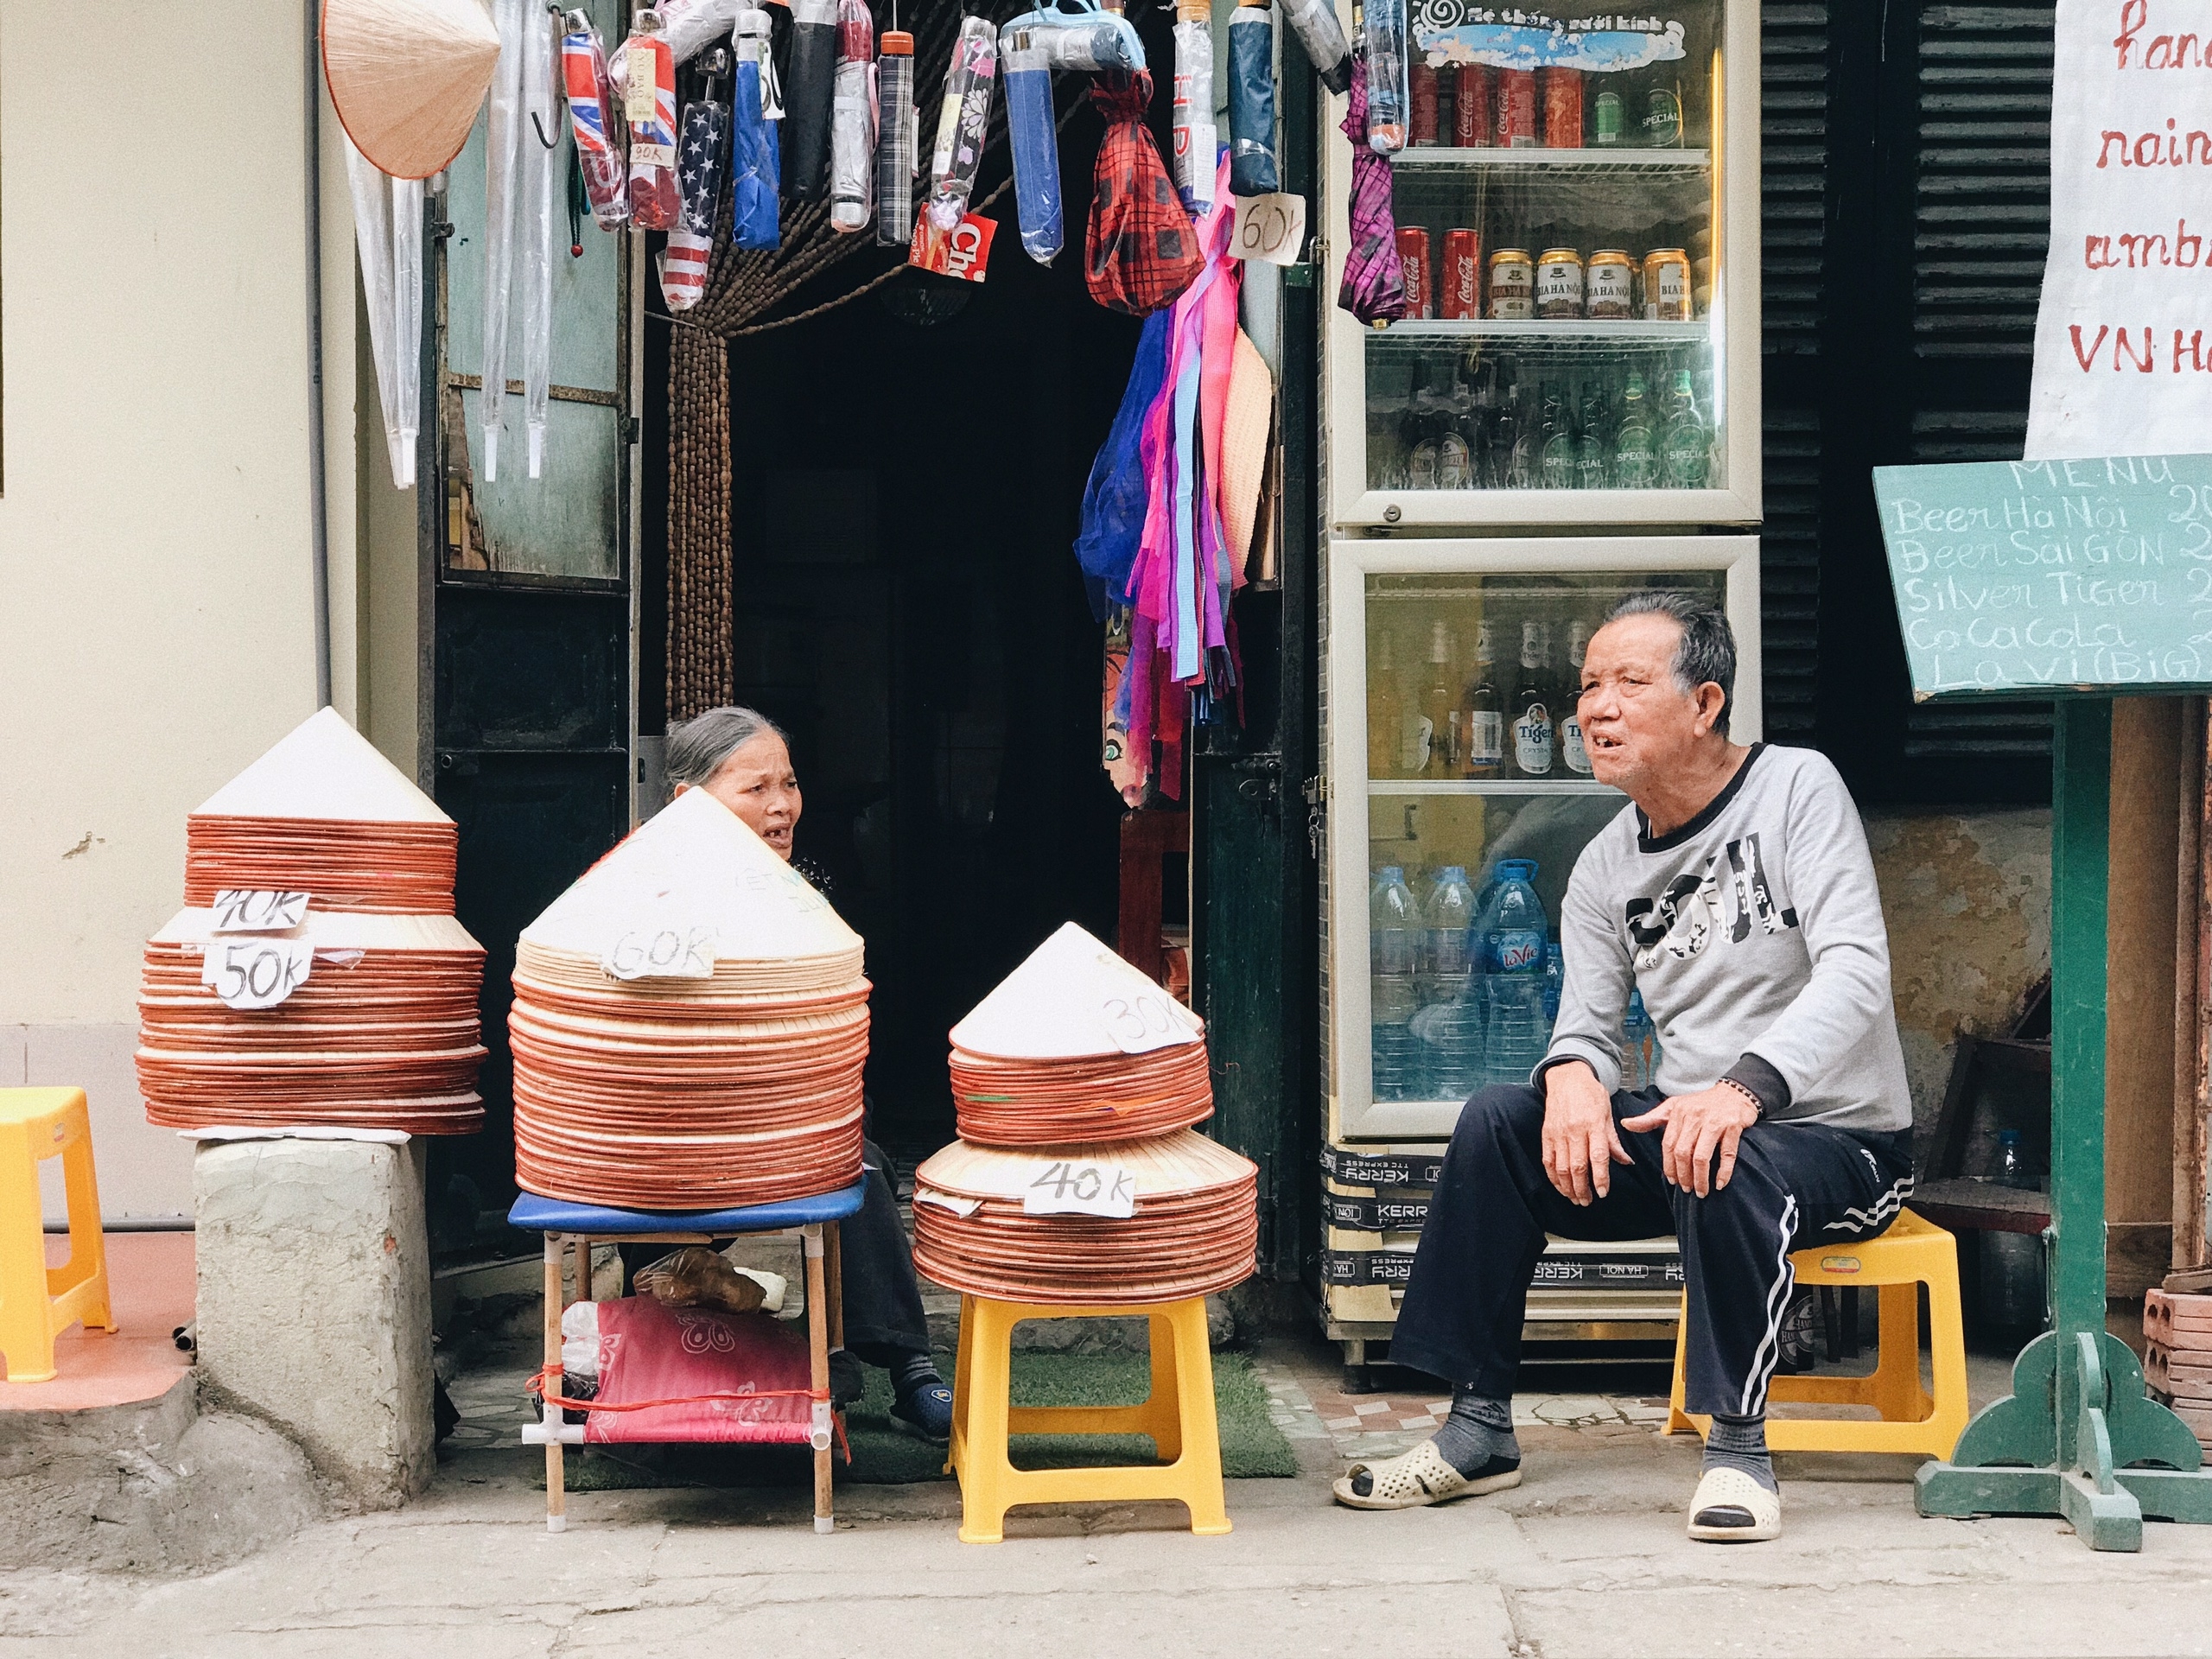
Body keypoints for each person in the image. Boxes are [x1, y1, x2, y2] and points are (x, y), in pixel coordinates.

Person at [1333, 593, 1913, 1543]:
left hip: (1835, 1140)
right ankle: (1476, 1426)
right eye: (1588, 686)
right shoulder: (1604, 864)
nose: (1595, 707)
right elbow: (1590, 1025)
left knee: (1726, 1148)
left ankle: (1736, 1448)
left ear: (1705, 703)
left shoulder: (1797, 788)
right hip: (1689, 1131)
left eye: (1630, 683)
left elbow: (1856, 970)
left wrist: (1741, 1091)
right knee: (1495, 1123)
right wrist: (1568, 1075)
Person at [639, 705, 955, 1443]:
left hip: (782, 1119)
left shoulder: (798, 889)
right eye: (757, 789)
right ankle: (651, 1354)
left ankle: (908, 1371)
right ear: (689, 804)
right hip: (677, 1128)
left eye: (789, 784)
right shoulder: (643, 896)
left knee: (860, 1163)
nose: (782, 806)